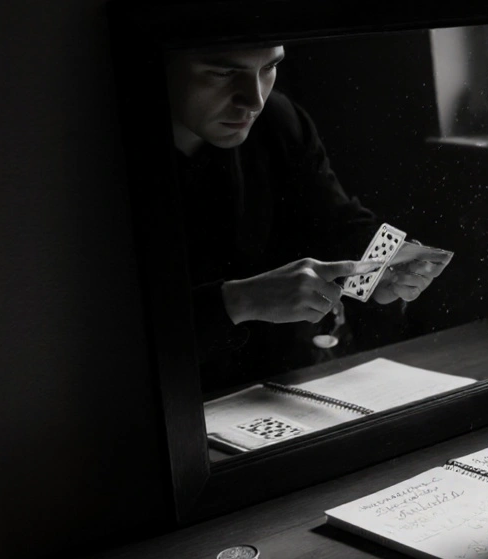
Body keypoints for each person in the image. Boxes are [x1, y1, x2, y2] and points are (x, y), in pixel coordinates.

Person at [165, 43, 450, 390]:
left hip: (286, 381)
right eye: (223, 73)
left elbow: (336, 221)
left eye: (268, 68)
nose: (253, 101)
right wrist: (238, 301)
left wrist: (385, 270)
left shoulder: (278, 119)